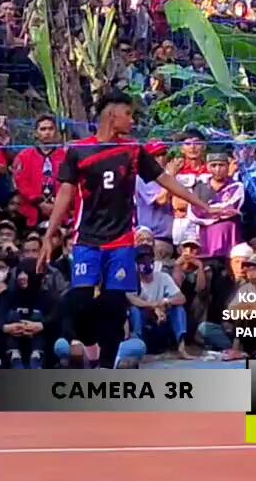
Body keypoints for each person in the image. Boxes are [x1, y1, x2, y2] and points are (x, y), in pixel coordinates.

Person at [39, 91, 225, 369]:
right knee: (80, 302)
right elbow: (65, 195)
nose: (132, 120)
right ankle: (89, 346)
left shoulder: (133, 150)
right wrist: (49, 236)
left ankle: (105, 368)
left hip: (122, 240)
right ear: (111, 115)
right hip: (87, 238)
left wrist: (204, 205)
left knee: (115, 305)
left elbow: (165, 180)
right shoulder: (78, 151)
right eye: (128, 114)